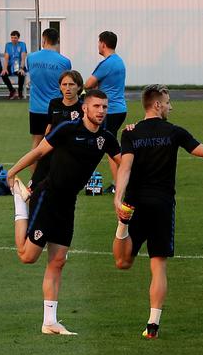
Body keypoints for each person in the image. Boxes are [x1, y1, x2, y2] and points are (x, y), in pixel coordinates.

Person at [112, 85, 203, 337]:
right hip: (162, 205)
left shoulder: (130, 133)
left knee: (122, 262)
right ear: (158, 105)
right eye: (168, 102)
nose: (171, 106)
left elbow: (125, 167)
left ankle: (122, 224)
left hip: (135, 203)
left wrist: (118, 198)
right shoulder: (174, 132)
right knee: (158, 265)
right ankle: (153, 324)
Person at [6, 89, 123, 336]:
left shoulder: (107, 138)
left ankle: (50, 322)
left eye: (104, 107)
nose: (101, 111)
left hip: (68, 203)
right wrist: (12, 171)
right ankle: (20, 203)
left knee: (57, 261)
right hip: (47, 196)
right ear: (85, 108)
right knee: (27, 256)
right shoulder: (67, 129)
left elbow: (125, 163)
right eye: (96, 106)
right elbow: (38, 151)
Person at [25, 28, 72, 147]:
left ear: (43, 40)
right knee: (56, 143)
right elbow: (66, 84)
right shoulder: (65, 62)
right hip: (56, 108)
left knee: (36, 142)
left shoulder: (30, 58)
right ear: (58, 41)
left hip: (36, 108)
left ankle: (36, 166)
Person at [83, 30, 128, 136]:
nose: (98, 46)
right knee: (109, 142)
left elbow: (88, 84)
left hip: (109, 110)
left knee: (99, 140)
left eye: (99, 43)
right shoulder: (119, 61)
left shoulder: (106, 64)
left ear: (103, 44)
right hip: (120, 108)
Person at [2, 30, 29, 100]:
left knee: (21, 74)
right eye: (12, 38)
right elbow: (6, 58)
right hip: (11, 66)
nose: (13, 39)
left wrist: (21, 68)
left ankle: (20, 92)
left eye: (15, 38)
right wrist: (4, 68)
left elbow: (23, 58)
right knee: (3, 74)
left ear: (18, 38)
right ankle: (12, 91)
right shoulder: (8, 45)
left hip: (20, 65)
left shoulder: (22, 44)